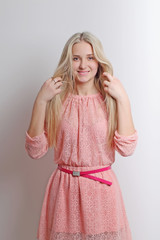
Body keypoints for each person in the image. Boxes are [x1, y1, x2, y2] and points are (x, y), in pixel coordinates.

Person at [25, 32, 138, 240]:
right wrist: (41, 100)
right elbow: (35, 150)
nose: (83, 65)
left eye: (90, 57)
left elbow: (127, 148)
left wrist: (123, 99)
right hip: (64, 193)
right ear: (69, 61)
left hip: (102, 192)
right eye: (76, 58)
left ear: (98, 61)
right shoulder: (56, 98)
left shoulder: (110, 98)